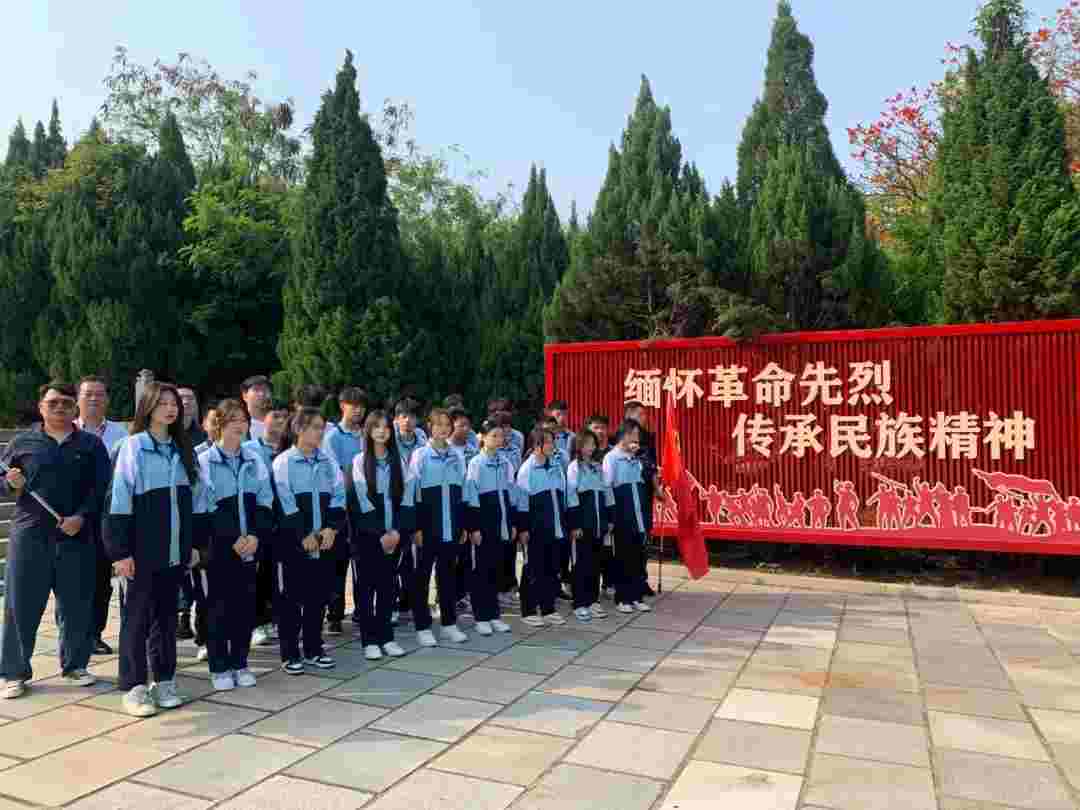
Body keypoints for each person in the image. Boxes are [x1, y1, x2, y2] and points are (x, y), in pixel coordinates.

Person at [1, 382, 112, 699]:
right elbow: (3, 480)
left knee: (76, 605)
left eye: (66, 402)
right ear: (41, 407)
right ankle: (14, 672)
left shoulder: (90, 445)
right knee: (21, 605)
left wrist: (82, 517)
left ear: (75, 408)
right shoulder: (23, 442)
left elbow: (102, 488)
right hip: (30, 536)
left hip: (76, 536)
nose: (60, 408)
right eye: (53, 403)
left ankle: (75, 666)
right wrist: (10, 483)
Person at [106, 382, 202, 717]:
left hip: (174, 553)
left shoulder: (183, 449)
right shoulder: (133, 447)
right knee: (136, 620)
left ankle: (164, 681)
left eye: (173, 403)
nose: (170, 409)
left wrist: (194, 546)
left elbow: (196, 502)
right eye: (162, 403)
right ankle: (134, 687)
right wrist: (120, 552)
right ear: (147, 407)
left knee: (166, 618)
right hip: (140, 554)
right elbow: (118, 501)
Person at [195, 399, 273, 691]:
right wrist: (232, 539)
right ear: (219, 424)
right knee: (216, 608)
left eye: (244, 420)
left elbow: (265, 501)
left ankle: (240, 663)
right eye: (233, 420)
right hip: (217, 549)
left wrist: (255, 536)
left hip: (249, 547)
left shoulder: (254, 460)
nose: (241, 425)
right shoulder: (204, 461)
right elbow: (204, 507)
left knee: (244, 607)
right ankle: (219, 666)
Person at [271, 408, 343, 675]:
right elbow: (284, 501)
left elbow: (338, 496)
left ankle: (314, 648)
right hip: (292, 543)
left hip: (323, 542)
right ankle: (290, 653)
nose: (320, 432)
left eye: (322, 427)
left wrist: (331, 529)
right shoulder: (283, 462)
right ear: (299, 429)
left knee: (317, 597)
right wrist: (302, 534)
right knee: (290, 599)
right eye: (314, 427)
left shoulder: (328, 462)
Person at [72, 375, 129, 658]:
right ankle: (73, 634)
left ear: (107, 399)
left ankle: (94, 634)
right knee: (72, 580)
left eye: (99, 394)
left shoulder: (121, 434)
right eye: (88, 394)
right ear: (78, 399)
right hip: (73, 516)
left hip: (107, 516)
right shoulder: (67, 429)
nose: (94, 399)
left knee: (101, 581)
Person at [349, 411, 412, 660]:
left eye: (386, 427)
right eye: (376, 426)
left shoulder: (399, 461)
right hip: (368, 537)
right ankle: (369, 640)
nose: (382, 431)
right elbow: (361, 501)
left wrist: (396, 532)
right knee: (366, 589)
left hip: (394, 536)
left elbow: (407, 498)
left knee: (387, 588)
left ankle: (387, 637)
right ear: (368, 430)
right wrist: (379, 534)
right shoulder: (359, 461)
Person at [408, 408, 468, 647]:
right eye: (438, 424)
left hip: (451, 525)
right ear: (429, 427)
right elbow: (412, 493)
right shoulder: (420, 455)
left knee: (448, 575)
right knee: (421, 576)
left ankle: (448, 624)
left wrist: (462, 525)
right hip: (427, 526)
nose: (443, 428)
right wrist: (416, 528)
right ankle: (422, 626)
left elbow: (462, 492)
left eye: (447, 424)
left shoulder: (457, 455)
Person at [515, 426, 575, 627]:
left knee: (551, 568)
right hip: (536, 528)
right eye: (548, 442)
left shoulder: (556, 466)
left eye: (553, 441)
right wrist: (523, 529)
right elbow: (522, 502)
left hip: (556, 526)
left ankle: (548, 608)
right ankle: (528, 610)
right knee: (532, 568)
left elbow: (564, 497)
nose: (552, 445)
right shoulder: (527, 469)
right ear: (536, 445)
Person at [322, 387, 369, 636]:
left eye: (361, 405)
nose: (358, 410)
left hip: (365, 506)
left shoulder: (367, 434)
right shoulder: (332, 437)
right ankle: (335, 615)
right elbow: (333, 471)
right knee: (338, 563)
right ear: (342, 406)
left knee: (363, 561)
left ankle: (363, 610)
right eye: (353, 405)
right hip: (341, 506)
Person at [243, 402, 290, 649]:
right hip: (258, 520)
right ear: (264, 420)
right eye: (275, 416)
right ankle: (256, 623)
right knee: (257, 575)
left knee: (278, 574)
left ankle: (277, 619)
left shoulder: (291, 448)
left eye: (284, 416)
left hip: (285, 522)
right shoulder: (249, 449)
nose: (280, 421)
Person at [464, 419, 516, 636]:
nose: (498, 439)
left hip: (501, 523)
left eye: (500, 435)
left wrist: (512, 523)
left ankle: (494, 615)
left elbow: (512, 493)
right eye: (493, 435)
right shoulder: (476, 463)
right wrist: (474, 528)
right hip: (483, 524)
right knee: (481, 571)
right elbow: (471, 496)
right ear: (483, 438)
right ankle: (481, 616)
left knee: (496, 569)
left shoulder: (505, 463)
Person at [181, 406, 221, 649]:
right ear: (204, 424)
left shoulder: (244, 454)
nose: (218, 426)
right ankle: (204, 638)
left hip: (227, 527)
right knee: (202, 587)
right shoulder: (196, 455)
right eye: (214, 421)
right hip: (201, 528)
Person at [603, 418, 652, 614]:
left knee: (638, 556)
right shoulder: (612, 458)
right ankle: (623, 598)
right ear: (624, 435)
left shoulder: (636, 458)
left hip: (638, 513)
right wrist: (611, 515)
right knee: (623, 556)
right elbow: (607, 487)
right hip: (622, 514)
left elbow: (642, 483)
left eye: (638, 436)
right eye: (634, 435)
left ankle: (636, 596)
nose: (636, 439)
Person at [566, 429, 613, 622]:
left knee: (595, 563)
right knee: (581, 564)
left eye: (593, 444)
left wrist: (609, 519)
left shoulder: (597, 467)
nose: (591, 448)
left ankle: (593, 600)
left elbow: (607, 494)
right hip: (582, 526)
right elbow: (571, 496)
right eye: (587, 444)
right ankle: (579, 602)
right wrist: (575, 524)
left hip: (598, 524)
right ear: (579, 446)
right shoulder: (574, 467)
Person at [624, 401, 659, 597]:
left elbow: (652, 465)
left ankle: (641, 579)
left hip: (644, 493)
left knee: (644, 536)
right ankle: (625, 581)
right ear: (629, 415)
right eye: (641, 414)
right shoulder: (620, 437)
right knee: (627, 540)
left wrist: (657, 487)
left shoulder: (648, 438)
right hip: (627, 496)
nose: (645, 418)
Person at [449, 408, 479, 614]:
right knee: (449, 556)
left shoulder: (472, 450)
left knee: (466, 554)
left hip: (468, 505)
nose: (466, 429)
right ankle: (447, 595)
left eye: (468, 425)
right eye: (461, 425)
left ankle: (462, 594)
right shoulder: (445, 449)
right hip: (450, 506)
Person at [241, 376, 272, 441]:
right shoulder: (238, 425)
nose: (262, 394)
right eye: (256, 390)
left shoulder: (280, 423)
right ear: (245, 396)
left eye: (265, 390)